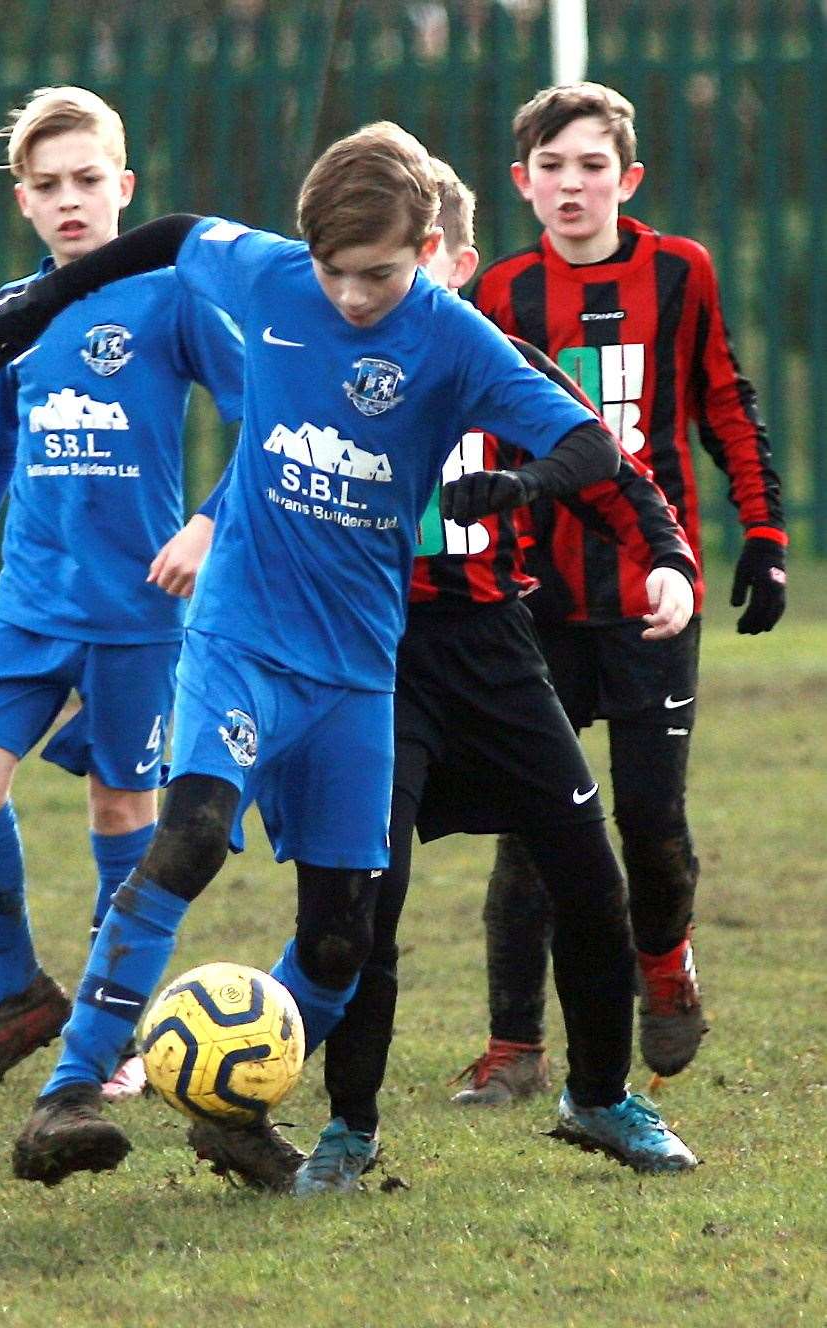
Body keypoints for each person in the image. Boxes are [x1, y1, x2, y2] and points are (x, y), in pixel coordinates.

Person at [0, 121, 626, 1190]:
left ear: (424, 246)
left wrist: (520, 485)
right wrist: (41, 302)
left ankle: (235, 1112)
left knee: (338, 940)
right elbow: (175, 232)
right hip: (240, 635)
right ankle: (69, 1090)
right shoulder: (272, 277)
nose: (353, 296)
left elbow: (587, 438)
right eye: (335, 272)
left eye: (380, 274)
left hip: (358, 671)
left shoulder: (452, 338)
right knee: (184, 839)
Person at [287, 160, 700, 1194]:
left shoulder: (498, 360)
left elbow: (609, 464)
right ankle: (349, 1127)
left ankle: (600, 1098)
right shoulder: (323, 360)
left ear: (450, 262)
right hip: (371, 658)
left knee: (590, 878)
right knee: (362, 896)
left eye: (405, 269)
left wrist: (669, 555)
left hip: (491, 647)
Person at [464, 82, 787, 1095]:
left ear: (627, 177)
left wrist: (763, 534)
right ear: (521, 183)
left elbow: (723, 405)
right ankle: (514, 1047)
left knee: (648, 818)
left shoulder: (679, 273)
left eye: (591, 164)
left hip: (655, 595)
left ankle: (666, 969)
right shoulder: (500, 297)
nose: (572, 184)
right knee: (531, 826)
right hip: (534, 599)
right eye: (551, 167)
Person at [0, 86, 242, 1107]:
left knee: (122, 802)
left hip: (137, 607)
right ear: (21, 199)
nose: (70, 201)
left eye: (88, 181)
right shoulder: (17, 313)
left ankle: (114, 1028)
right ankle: (19, 992)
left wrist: (204, 523)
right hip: (27, 601)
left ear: (125, 187)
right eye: (48, 185)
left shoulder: (170, 293)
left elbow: (268, 416)